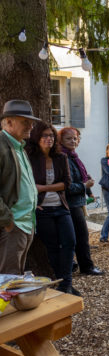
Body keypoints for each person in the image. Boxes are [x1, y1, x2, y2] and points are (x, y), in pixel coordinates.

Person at [26, 121, 78, 295]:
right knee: (53, 247)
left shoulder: (60, 158)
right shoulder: (29, 158)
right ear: (37, 138)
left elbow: (67, 184)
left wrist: (43, 187)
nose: (49, 139)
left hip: (61, 207)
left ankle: (66, 283)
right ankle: (63, 282)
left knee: (70, 242)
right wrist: (36, 197)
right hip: (42, 210)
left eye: (51, 136)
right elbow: (27, 185)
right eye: (45, 135)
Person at [0, 100, 39, 275]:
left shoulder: (19, 146)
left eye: (31, 122)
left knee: (15, 277)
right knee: (7, 280)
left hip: (25, 223)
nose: (31, 126)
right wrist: (7, 221)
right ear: (8, 122)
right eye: (25, 121)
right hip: (12, 225)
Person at [59, 127, 104, 276]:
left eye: (75, 138)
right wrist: (85, 186)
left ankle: (74, 264)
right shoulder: (63, 157)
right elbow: (67, 186)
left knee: (75, 236)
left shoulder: (73, 157)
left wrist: (86, 183)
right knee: (80, 236)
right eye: (68, 138)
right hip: (70, 203)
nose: (73, 141)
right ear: (61, 140)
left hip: (76, 202)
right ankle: (86, 267)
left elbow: (78, 177)